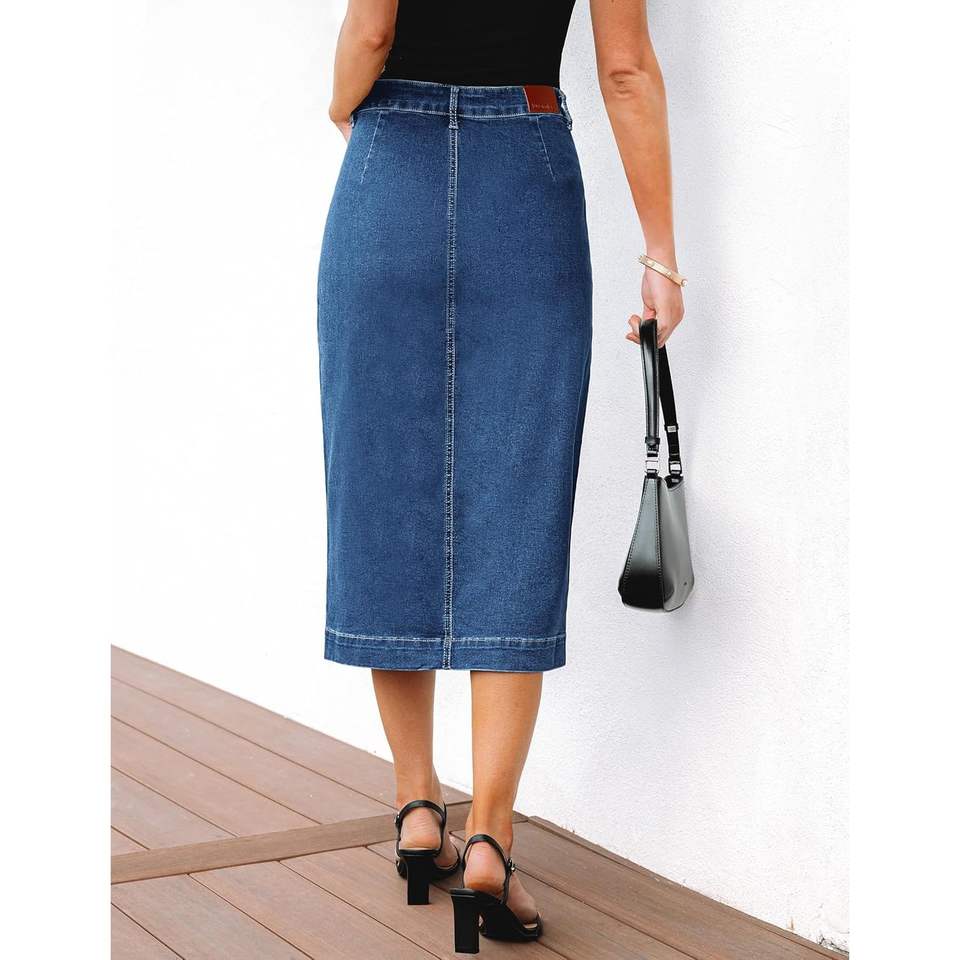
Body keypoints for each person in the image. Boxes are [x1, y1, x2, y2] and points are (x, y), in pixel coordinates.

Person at [317, 0, 685, 950]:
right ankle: (490, 837)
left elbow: (370, 34)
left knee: (384, 490)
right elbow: (626, 71)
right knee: (520, 494)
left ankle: (416, 808)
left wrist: (341, 103)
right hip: (525, 172)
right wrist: (661, 257)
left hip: (392, 169)